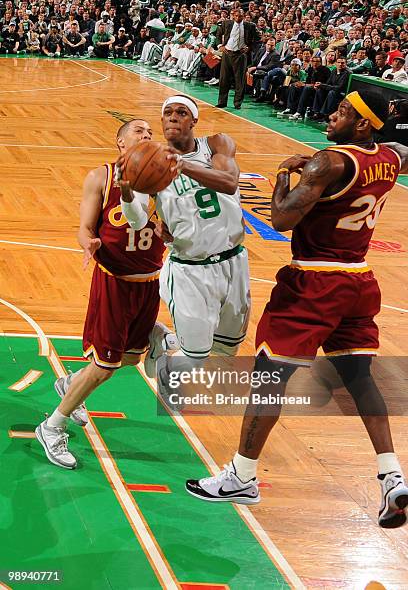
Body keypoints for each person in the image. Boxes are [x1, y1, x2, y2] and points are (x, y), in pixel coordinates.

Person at [186, 90, 408, 530]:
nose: (331, 113)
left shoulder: (329, 162)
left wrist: (285, 176)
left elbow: (281, 220)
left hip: (314, 282)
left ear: (363, 124)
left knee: (269, 378)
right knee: (359, 377)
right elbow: (392, 152)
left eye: (343, 111)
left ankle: (242, 477)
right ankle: (391, 475)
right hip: (359, 280)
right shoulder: (389, 156)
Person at [35, 120, 178, 469]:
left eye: (148, 132)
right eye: (137, 131)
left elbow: (170, 232)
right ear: (120, 142)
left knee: (130, 359)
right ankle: (52, 426)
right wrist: (89, 243)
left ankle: (70, 383)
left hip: (149, 282)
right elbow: (84, 228)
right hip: (114, 281)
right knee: (104, 365)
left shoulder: (163, 182)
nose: (146, 135)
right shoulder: (101, 176)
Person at [121, 95, 251, 376]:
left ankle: (165, 344)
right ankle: (164, 359)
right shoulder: (152, 162)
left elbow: (229, 183)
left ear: (194, 120)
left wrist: (182, 165)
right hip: (190, 269)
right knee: (195, 358)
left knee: (226, 350)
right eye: (167, 113)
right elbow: (137, 220)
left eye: (181, 112)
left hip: (234, 262)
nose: (173, 117)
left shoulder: (216, 144)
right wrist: (126, 192)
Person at [216, 9, 260, 109]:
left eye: (240, 16)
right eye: (235, 16)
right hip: (227, 53)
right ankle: (222, 102)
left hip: (240, 55)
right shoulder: (226, 23)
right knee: (223, 79)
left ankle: (237, 103)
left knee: (239, 81)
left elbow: (258, 39)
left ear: (243, 16)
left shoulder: (250, 26)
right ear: (233, 16)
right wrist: (220, 46)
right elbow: (218, 34)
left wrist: (249, 47)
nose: (237, 18)